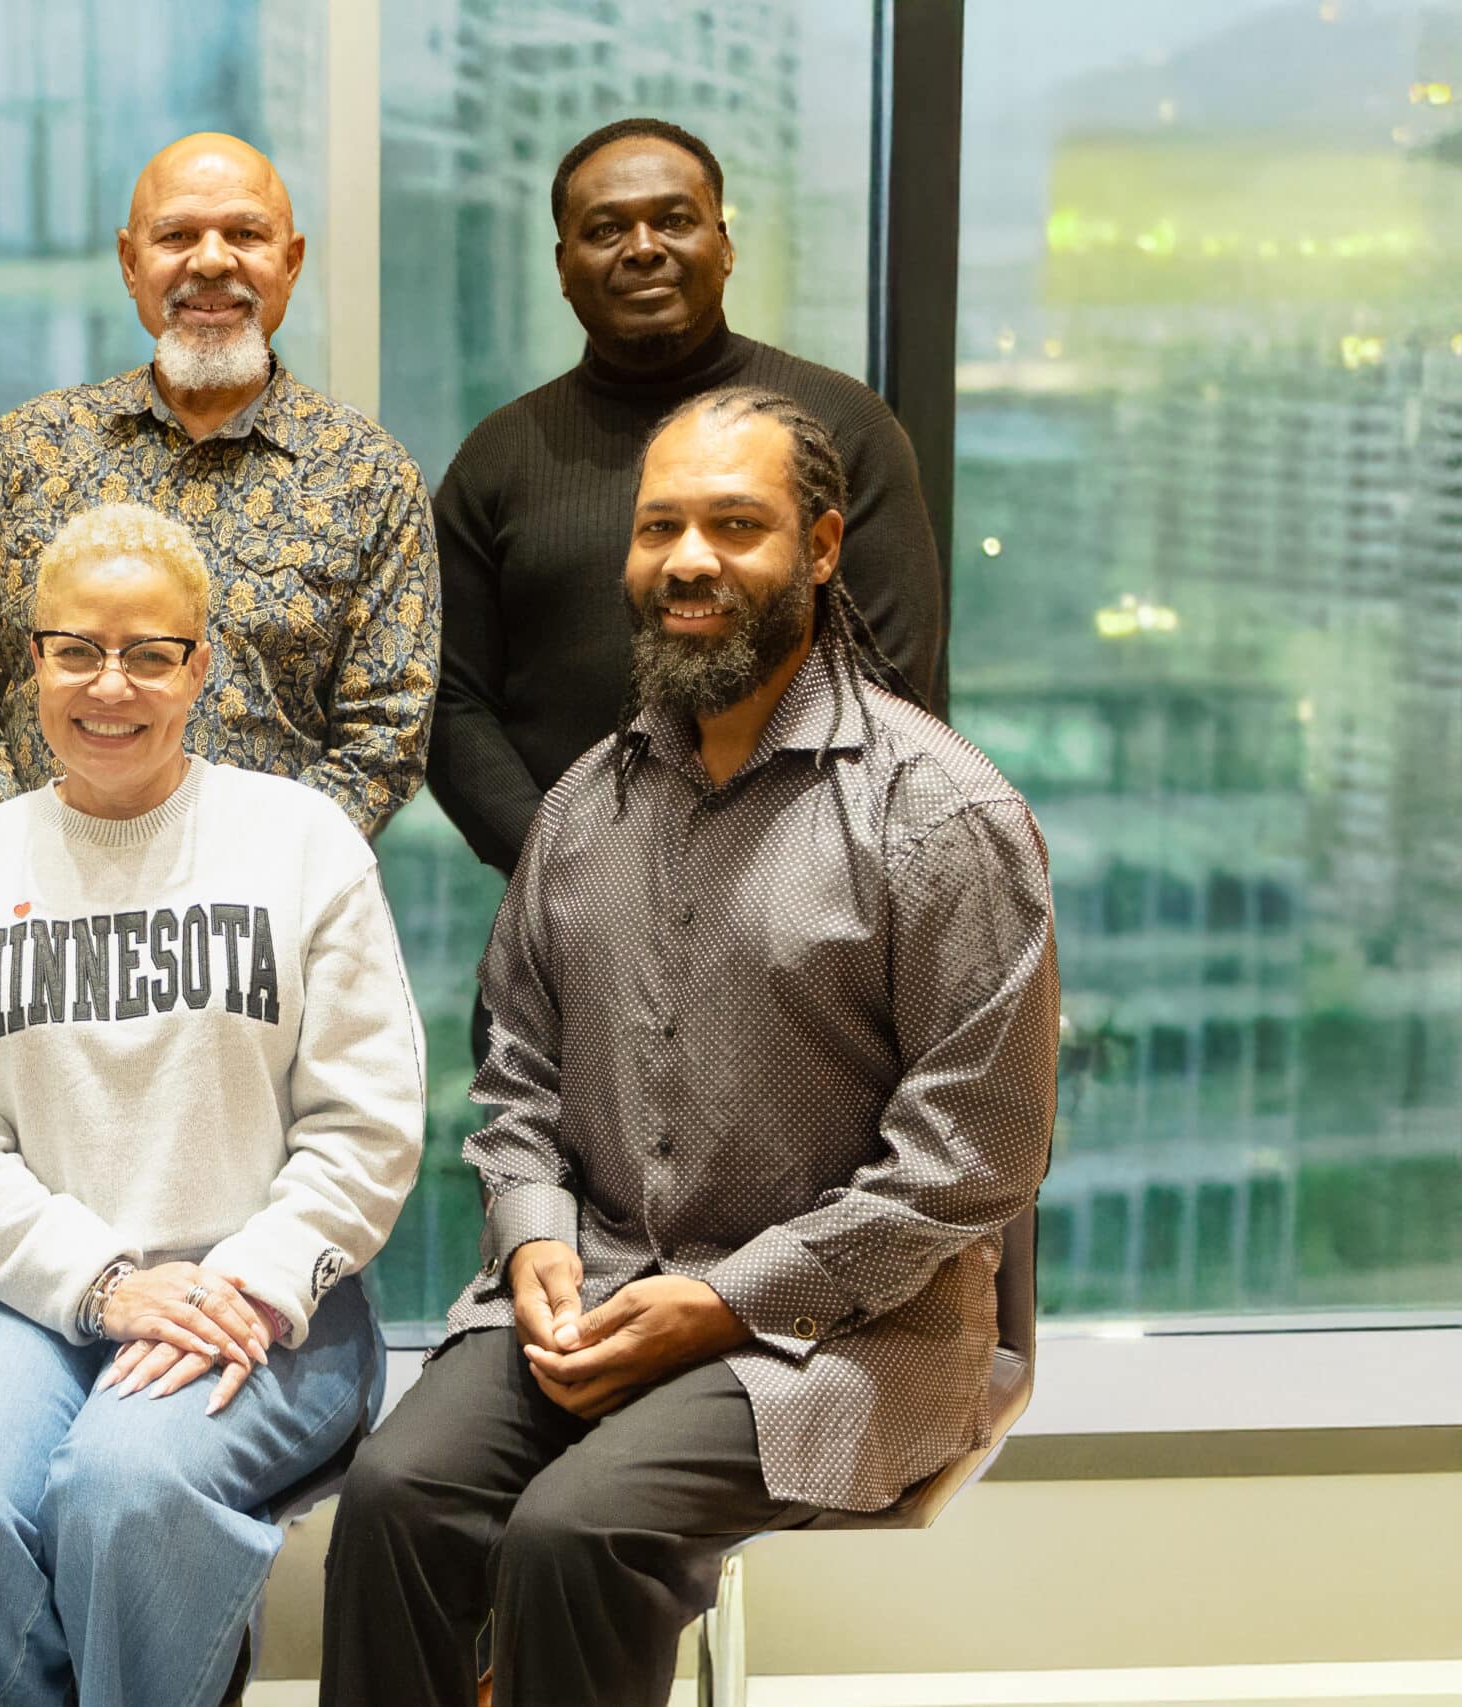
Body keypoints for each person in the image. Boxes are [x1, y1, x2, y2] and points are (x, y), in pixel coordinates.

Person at [320, 389, 1058, 1707]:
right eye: (661, 526)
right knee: (397, 1493)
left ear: (820, 547)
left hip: (848, 1329)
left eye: (736, 525)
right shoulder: (584, 803)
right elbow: (519, 1073)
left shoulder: (940, 814)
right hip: (600, 1282)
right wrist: (533, 1234)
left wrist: (726, 1302)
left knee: (577, 1530)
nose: (690, 559)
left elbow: (970, 1162)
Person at [0, 503, 426, 1707]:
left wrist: (244, 1284)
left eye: (149, 654)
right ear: (32, 662)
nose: (109, 686)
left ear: (201, 667)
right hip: (19, 1296)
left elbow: (366, 1126)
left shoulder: (301, 843)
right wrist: (107, 1286)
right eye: (76, 650)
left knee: (124, 1490)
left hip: (258, 1294)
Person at [428, 116, 946, 884]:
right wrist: (566, 871)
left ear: (724, 245)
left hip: (803, 895)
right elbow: (451, 701)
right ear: (563, 266)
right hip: (564, 904)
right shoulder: (499, 455)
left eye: (674, 220)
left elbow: (889, 683)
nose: (643, 247)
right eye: (606, 229)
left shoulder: (843, 427)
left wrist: (755, 875)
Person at [0, 132, 440, 839]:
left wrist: (252, 880)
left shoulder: (370, 477)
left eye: (245, 234)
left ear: (291, 262)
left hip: (270, 899)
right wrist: (31, 861)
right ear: (130, 263)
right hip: (41, 896)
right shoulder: (29, 451)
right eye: (178, 235)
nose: (212, 261)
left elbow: (385, 735)